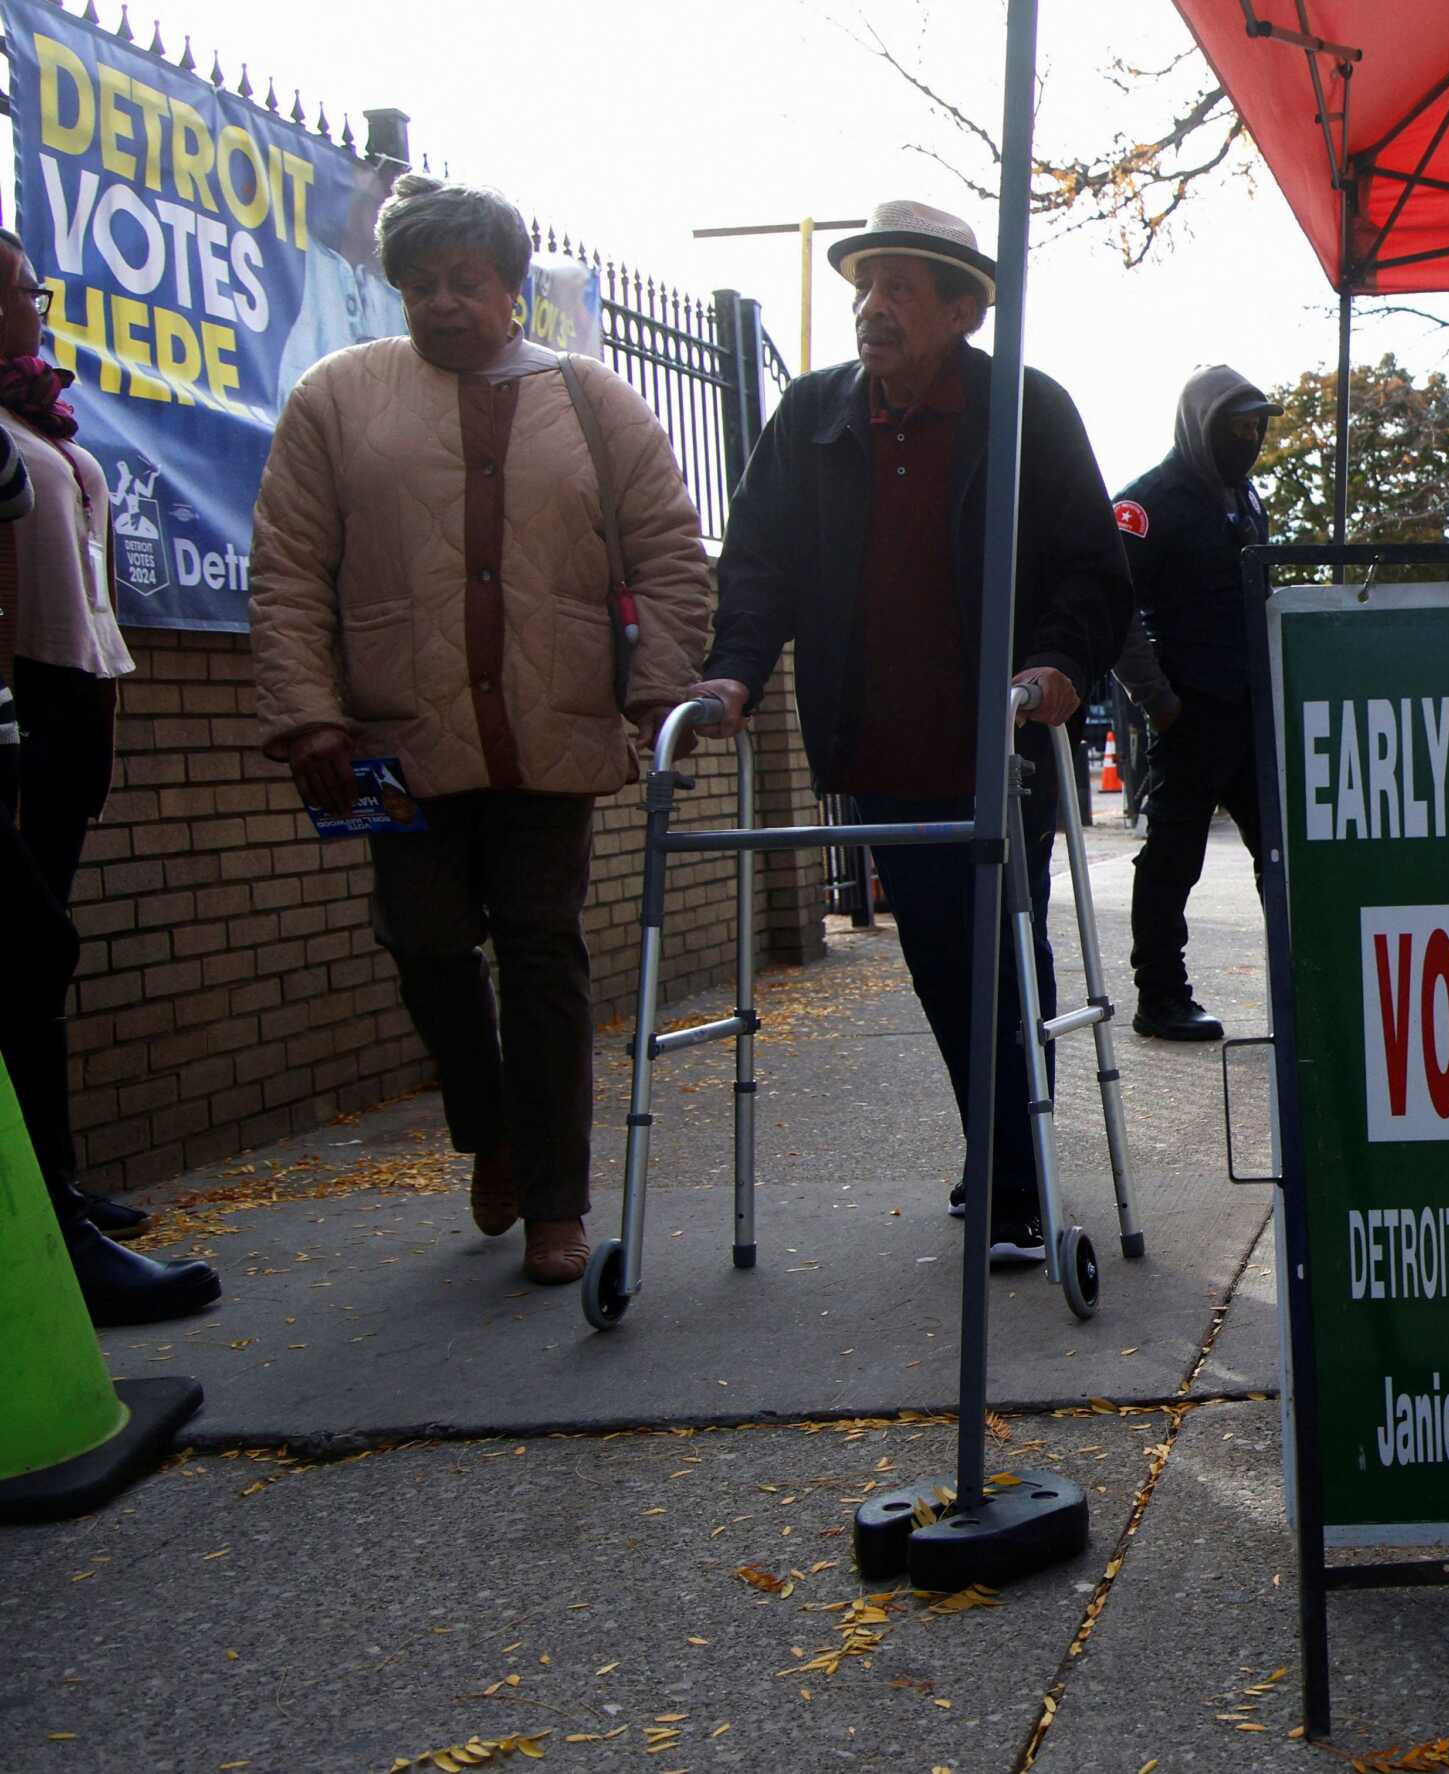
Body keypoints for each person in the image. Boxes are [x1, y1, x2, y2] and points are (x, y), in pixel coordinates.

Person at [250, 175, 713, 1286]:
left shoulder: (596, 403)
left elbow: (668, 552)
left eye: (465, 281)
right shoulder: (339, 398)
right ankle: (492, 1131)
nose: (442, 302)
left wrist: (659, 688)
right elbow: (287, 568)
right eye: (418, 284)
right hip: (398, 735)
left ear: (510, 287)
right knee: (422, 940)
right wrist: (308, 711)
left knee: (543, 949)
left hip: (550, 734)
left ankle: (556, 1200)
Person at [687, 199, 1130, 1265]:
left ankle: (1020, 1186)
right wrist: (732, 674)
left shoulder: (1025, 409)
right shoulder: (811, 417)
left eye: (898, 286)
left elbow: (1092, 568)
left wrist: (1060, 666)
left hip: (999, 744)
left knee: (1002, 949)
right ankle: (1003, 1150)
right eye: (864, 284)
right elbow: (760, 563)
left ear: (964, 308)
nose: (870, 307)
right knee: (940, 961)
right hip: (879, 739)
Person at [0, 234, 219, 1322]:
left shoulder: (41, 417)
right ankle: (50, 1225)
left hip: (73, 692)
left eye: (32, 293)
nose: (32, 311)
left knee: (36, 951)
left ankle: (55, 1186)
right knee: (30, 947)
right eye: (16, 295)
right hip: (20, 697)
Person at [1110, 365, 1281, 1041]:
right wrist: (1159, 699)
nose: (1250, 439)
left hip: (1251, 708)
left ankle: (1303, 981)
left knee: (1281, 854)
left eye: (1257, 427)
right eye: (1236, 426)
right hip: (1191, 712)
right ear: (1200, 427)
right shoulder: (1148, 503)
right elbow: (1112, 608)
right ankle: (1161, 996)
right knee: (1173, 857)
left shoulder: (1244, 497)